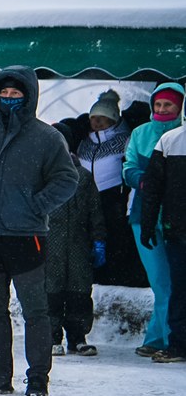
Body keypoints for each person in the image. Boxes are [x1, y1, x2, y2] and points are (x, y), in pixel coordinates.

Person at [0, 67, 81, 396]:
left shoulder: (47, 137)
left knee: (35, 310)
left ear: (29, 96)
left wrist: (36, 206)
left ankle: (37, 378)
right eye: (4, 94)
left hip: (26, 236)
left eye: (16, 94)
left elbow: (67, 179)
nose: (9, 99)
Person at [125, 82, 183, 358]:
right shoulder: (140, 133)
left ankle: (167, 338)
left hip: (177, 217)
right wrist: (148, 182)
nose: (162, 109)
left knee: (176, 282)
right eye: (158, 104)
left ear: (180, 107)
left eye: (168, 104)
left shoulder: (182, 135)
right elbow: (128, 168)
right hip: (144, 215)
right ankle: (163, 338)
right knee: (161, 282)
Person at [45, 118, 106, 358]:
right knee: (51, 291)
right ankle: (51, 337)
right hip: (49, 245)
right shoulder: (40, 176)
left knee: (79, 291)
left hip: (78, 245)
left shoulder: (83, 177)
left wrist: (99, 240)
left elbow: (95, 212)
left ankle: (78, 337)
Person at [138, 117, 186, 362]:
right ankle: (178, 343)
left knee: (180, 289)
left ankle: (178, 343)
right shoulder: (170, 140)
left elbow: (153, 188)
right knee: (180, 288)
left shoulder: (170, 140)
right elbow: (153, 187)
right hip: (177, 229)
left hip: (177, 227)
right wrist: (147, 224)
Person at [76, 92, 135, 286]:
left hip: (112, 197)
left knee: (113, 237)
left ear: (114, 119)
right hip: (87, 197)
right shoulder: (84, 142)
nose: (97, 122)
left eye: (103, 118)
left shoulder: (125, 140)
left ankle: (115, 276)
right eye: (94, 118)